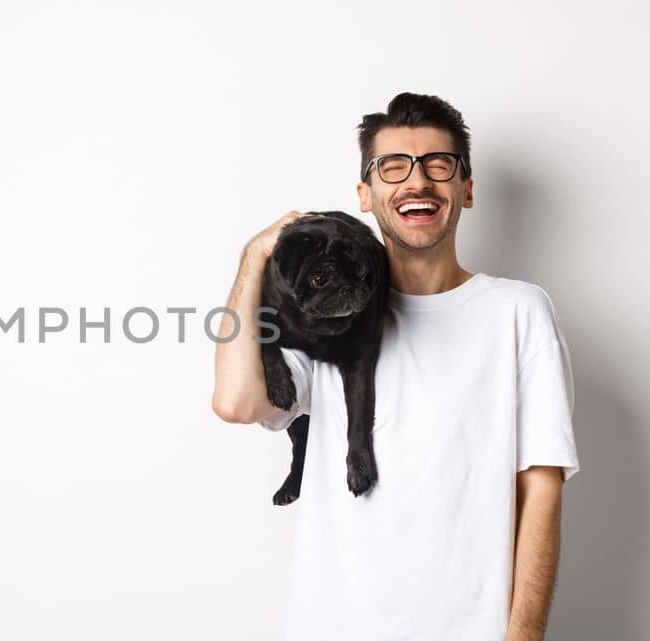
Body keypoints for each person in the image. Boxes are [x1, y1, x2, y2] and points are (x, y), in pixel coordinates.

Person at [211, 92, 580, 641]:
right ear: (365, 194)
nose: (417, 181)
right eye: (392, 167)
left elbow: (542, 491)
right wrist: (253, 259)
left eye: (438, 164)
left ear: (467, 189)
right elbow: (236, 401)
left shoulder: (517, 312)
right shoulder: (327, 323)